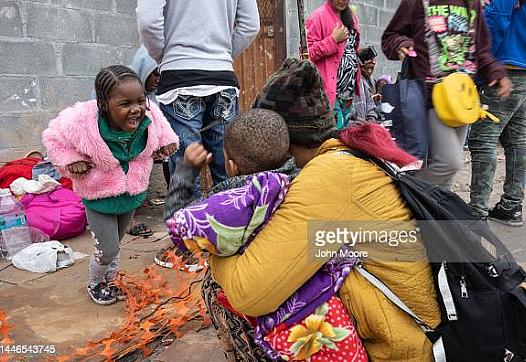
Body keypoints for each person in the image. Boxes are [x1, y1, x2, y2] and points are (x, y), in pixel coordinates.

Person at [200, 59, 439, 361]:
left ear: (281, 138)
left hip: (400, 347)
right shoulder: (347, 152)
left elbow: (249, 294)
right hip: (405, 328)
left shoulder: (330, 177)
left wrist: (215, 249)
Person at [166, 109, 367, 361]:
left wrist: (185, 171)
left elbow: (179, 229)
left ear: (231, 165)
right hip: (327, 302)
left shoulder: (235, 200)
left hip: (282, 317)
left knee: (212, 288)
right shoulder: (305, 180)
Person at [42, 65, 179, 305]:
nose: (136, 109)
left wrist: (166, 144)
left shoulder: (150, 116)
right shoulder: (80, 121)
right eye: (125, 104)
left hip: (131, 194)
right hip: (99, 197)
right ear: (103, 104)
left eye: (140, 100)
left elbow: (162, 128)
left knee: (116, 242)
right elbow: (53, 138)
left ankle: (111, 280)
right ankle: (95, 283)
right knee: (106, 248)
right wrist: (71, 160)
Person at [382, 0, 512, 189]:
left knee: (447, 176)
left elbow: (481, 51)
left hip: (463, 98)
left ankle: (433, 215)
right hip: (431, 97)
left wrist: (496, 72)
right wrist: (401, 43)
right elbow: (391, 36)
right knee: (449, 162)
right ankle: (407, 197)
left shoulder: (472, 4)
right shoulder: (416, 2)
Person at [137, 0, 260, 198]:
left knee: (185, 170)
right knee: (227, 168)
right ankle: (232, 224)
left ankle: (188, 227)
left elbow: (147, 21)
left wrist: (166, 58)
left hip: (180, 78)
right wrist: (223, 57)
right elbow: (251, 25)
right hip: (222, 79)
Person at [468, 0, 525, 226]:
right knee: (517, 141)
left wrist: (482, 67)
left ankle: (477, 210)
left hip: (503, 70)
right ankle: (512, 205)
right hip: (522, 71)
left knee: (484, 139)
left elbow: (494, 22)